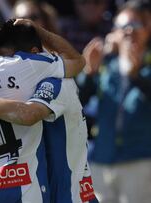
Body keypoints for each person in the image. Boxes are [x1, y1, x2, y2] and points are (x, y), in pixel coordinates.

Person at [0, 20, 98, 203]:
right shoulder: (38, 77)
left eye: (7, 59)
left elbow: (28, 114)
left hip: (71, 194)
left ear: (33, 54)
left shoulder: (56, 82)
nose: (1, 68)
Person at [79, 1, 151, 203]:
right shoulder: (106, 64)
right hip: (102, 159)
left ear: (147, 28)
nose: (129, 32)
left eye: (135, 26)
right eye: (122, 27)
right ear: (114, 32)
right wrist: (88, 73)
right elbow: (77, 102)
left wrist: (137, 76)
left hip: (140, 160)